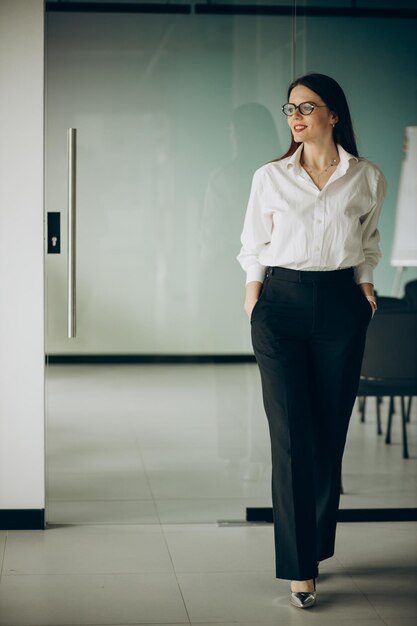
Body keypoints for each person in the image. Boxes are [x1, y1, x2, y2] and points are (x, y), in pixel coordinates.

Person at [237, 73, 386, 609]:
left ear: (334, 114)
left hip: (342, 305)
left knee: (328, 434)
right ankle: (300, 568)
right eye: (290, 108)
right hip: (281, 305)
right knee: (292, 436)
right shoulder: (270, 177)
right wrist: (256, 297)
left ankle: (317, 542)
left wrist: (366, 286)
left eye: (306, 107)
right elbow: (252, 242)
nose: (295, 116)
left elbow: (368, 240)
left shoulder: (366, 176)